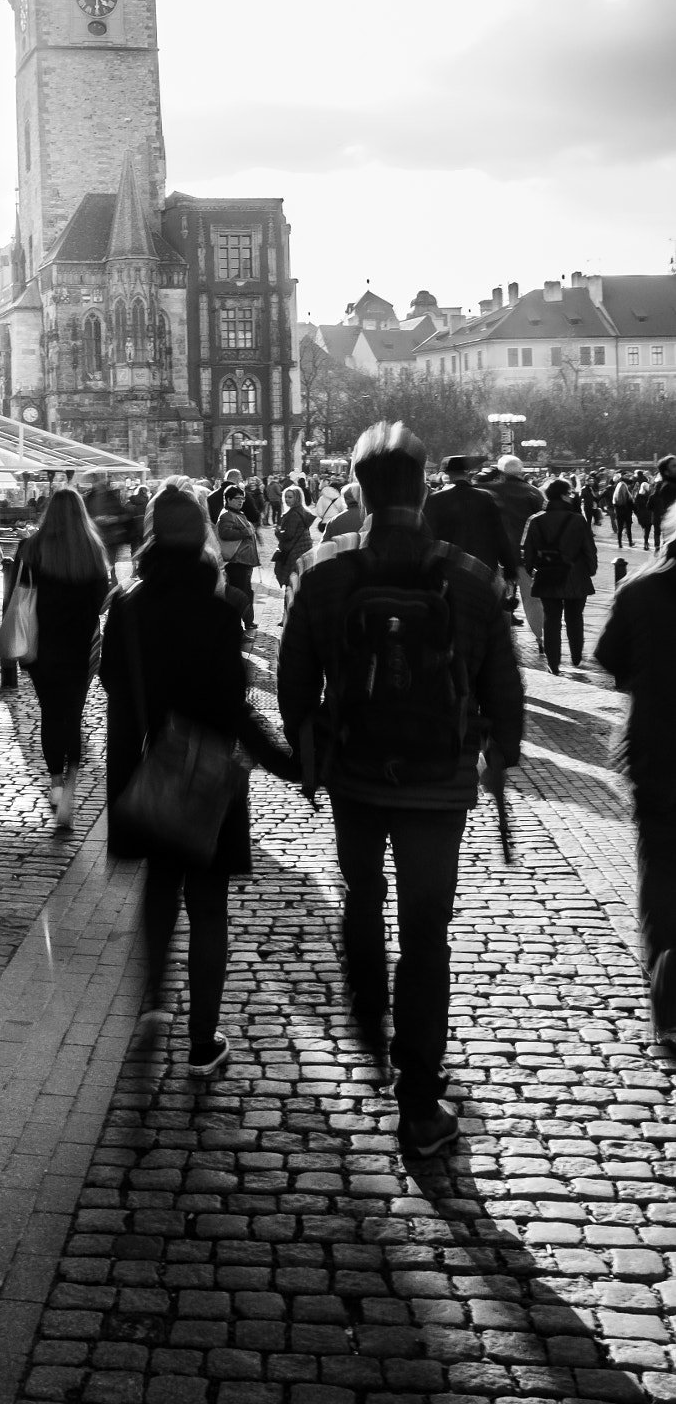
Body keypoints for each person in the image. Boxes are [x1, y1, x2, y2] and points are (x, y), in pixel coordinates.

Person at [276, 422, 524, 1159]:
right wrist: (494, 759)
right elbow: (504, 695)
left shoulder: (320, 571)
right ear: (421, 490)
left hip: (355, 774)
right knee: (426, 934)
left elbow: (292, 683)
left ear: (355, 487)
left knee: (360, 897)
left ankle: (366, 1014)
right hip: (437, 787)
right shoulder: (471, 578)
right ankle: (419, 1102)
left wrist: (311, 756)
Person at [102, 483, 299, 1074]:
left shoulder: (128, 607)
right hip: (211, 772)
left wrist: (121, 791)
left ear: (153, 538)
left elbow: (116, 699)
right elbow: (234, 708)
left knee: (160, 894)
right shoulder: (222, 609)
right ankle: (202, 1040)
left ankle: (150, 1009)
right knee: (209, 908)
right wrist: (286, 762)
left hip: (151, 766)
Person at [595, 541, 676, 1044]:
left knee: (663, 874)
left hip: (659, 750)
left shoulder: (641, 587)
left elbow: (611, 661)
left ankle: (670, 1007)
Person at [12, 486, 113, 831]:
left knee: (50, 712)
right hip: (80, 646)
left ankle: (56, 782)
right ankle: (70, 780)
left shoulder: (30, 547)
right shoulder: (92, 549)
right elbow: (103, 601)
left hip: (39, 646)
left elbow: (15, 594)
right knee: (72, 712)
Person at [520, 478, 598, 674]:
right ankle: (576, 656)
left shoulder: (536, 520)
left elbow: (528, 551)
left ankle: (553, 662)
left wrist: (530, 571)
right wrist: (590, 569)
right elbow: (589, 548)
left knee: (551, 619)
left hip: (547, 575)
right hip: (575, 574)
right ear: (563, 495)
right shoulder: (578, 520)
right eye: (570, 493)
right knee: (575, 617)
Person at [480, 454, 546, 650]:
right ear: (521, 471)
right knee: (532, 599)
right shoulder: (534, 492)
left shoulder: (487, 490)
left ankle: (502, 641)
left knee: (501, 599)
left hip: (496, 554)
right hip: (526, 555)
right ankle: (540, 639)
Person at [423, 456, 517, 582]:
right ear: (467, 473)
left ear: (446, 474)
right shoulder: (487, 498)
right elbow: (501, 536)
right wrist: (510, 569)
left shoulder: (434, 500)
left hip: (447, 569)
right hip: (483, 568)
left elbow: (428, 536)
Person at [213, 481, 261, 627]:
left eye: (242, 498)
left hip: (244, 560)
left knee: (246, 591)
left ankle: (247, 621)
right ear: (228, 500)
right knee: (241, 592)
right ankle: (239, 623)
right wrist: (245, 532)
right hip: (237, 561)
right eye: (237, 498)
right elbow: (225, 532)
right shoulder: (227, 515)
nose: (241, 501)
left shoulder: (237, 513)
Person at [272, 484, 315, 589]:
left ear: (297, 498)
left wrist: (277, 532)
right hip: (303, 549)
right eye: (285, 497)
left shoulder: (294, 514)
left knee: (291, 582)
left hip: (293, 552)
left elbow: (289, 535)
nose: (287, 499)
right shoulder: (302, 512)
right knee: (300, 580)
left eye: (290, 497)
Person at [612, 475, 635, 549]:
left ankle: (620, 544)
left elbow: (614, 503)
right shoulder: (627, 493)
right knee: (628, 528)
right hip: (627, 512)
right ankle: (630, 542)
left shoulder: (616, 494)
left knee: (620, 528)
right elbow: (631, 503)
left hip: (619, 512)